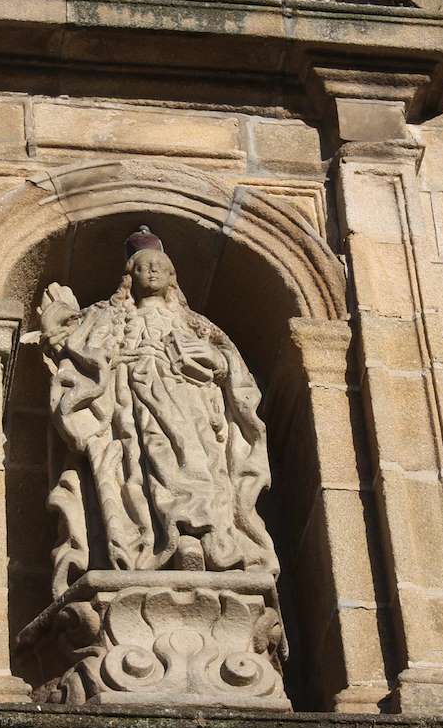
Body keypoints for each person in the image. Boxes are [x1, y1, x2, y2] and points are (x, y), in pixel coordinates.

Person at [40, 230, 279, 598]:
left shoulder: (196, 324)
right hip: (130, 404)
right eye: (143, 267)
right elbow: (73, 348)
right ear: (129, 277)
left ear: (172, 278)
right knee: (141, 466)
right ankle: (156, 543)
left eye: (159, 267)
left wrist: (210, 360)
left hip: (190, 405)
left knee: (198, 465)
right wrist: (93, 347)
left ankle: (207, 540)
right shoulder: (108, 316)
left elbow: (233, 372)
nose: (151, 271)